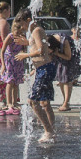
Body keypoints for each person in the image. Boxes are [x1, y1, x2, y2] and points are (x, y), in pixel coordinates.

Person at [15, 15, 57, 144]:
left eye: (22, 24)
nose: (22, 28)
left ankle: (48, 131)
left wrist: (25, 55)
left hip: (44, 69)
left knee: (33, 101)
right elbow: (38, 45)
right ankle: (51, 130)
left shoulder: (36, 30)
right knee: (44, 103)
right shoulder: (36, 31)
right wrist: (27, 43)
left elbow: (40, 50)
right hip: (43, 68)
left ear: (28, 20)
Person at [0, 10, 30, 115]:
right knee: (9, 82)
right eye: (17, 30)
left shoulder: (22, 37)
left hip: (18, 61)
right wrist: (3, 65)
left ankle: (15, 101)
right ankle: (9, 103)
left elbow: (25, 49)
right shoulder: (10, 36)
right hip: (9, 61)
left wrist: (23, 53)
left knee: (16, 82)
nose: (18, 32)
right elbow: (2, 51)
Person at [57, 25, 81, 111]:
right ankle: (65, 100)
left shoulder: (80, 40)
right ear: (72, 30)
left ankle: (66, 102)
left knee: (67, 81)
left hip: (72, 61)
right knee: (61, 80)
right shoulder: (67, 38)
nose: (77, 31)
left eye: (78, 30)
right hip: (62, 60)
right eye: (75, 29)